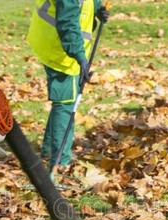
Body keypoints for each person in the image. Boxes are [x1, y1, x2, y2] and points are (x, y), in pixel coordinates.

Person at [27, 0, 109, 176]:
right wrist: (80, 57)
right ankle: (60, 162)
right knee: (66, 103)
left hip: (54, 41)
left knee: (63, 100)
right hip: (60, 49)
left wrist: (97, 8)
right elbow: (67, 22)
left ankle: (49, 151)